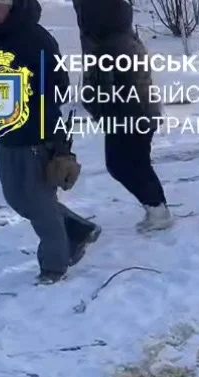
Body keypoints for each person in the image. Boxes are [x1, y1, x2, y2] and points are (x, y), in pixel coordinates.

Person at [0, 0, 100, 284]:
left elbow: (58, 87)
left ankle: (54, 266)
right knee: (17, 197)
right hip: (5, 129)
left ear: (12, 6)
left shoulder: (36, 38)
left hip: (36, 131)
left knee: (37, 201)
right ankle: (78, 229)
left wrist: (52, 131)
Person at [71, 0, 173, 233]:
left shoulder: (107, 46)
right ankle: (157, 209)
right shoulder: (121, 36)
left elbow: (101, 93)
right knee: (138, 164)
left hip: (128, 117)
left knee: (120, 165)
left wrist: (93, 106)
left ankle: (158, 210)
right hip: (139, 114)